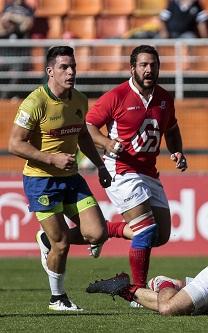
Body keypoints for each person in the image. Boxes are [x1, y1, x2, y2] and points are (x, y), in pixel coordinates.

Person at [8, 45, 111, 311]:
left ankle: (46, 240)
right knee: (62, 243)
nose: (71, 71)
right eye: (64, 67)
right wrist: (51, 158)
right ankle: (58, 298)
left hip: (71, 178)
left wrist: (100, 166)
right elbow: (15, 144)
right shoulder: (34, 103)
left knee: (97, 233)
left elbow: (83, 136)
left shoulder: (79, 99)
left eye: (73, 66)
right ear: (50, 71)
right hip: (41, 180)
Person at [85, 45, 187, 302]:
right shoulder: (117, 95)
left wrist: (177, 151)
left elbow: (172, 129)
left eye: (153, 64)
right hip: (120, 168)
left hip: (148, 172)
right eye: (143, 65)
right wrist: (107, 143)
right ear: (133, 68)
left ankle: (105, 230)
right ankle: (137, 292)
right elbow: (88, 126)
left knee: (160, 235)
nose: (149, 69)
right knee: (144, 229)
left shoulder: (164, 97)